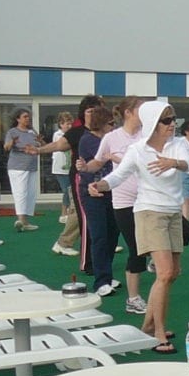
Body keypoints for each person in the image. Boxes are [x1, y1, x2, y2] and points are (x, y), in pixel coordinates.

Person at [89, 101, 189, 353]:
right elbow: (118, 175)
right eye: (166, 121)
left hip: (172, 212)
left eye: (173, 120)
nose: (172, 125)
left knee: (172, 273)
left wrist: (174, 163)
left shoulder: (178, 144)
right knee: (163, 272)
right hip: (149, 212)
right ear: (152, 123)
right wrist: (99, 185)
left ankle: (148, 325)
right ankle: (158, 334)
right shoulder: (138, 149)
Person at [82, 96, 147, 313]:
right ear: (128, 112)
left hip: (148, 198)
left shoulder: (146, 135)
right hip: (122, 199)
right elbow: (97, 162)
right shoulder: (111, 138)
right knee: (127, 244)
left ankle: (141, 272)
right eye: (140, 109)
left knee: (128, 241)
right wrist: (85, 167)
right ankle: (110, 285)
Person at [30, 95, 105, 261]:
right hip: (81, 178)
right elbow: (58, 145)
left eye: (98, 111)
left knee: (101, 216)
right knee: (84, 215)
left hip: (103, 179)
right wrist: (39, 150)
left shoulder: (106, 131)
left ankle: (101, 246)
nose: (95, 115)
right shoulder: (77, 132)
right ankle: (78, 252)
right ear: (84, 113)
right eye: (90, 111)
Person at [78, 106, 120, 296]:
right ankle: (101, 280)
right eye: (111, 123)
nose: (114, 126)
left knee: (112, 233)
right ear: (102, 124)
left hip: (111, 191)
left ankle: (107, 274)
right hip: (93, 194)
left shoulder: (109, 139)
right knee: (100, 236)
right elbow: (92, 165)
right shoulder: (89, 140)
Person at [3, 109, 40, 232]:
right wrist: (12, 142)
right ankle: (20, 219)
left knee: (30, 193)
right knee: (20, 192)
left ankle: (25, 221)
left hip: (32, 166)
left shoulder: (32, 131)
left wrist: (41, 141)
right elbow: (6, 147)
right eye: (25, 117)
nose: (27, 119)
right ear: (18, 119)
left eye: (28, 117)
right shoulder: (12, 131)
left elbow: (40, 145)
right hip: (17, 167)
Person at [51, 112, 74, 223]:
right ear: (61, 124)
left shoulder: (72, 134)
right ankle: (64, 212)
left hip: (70, 167)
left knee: (71, 191)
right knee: (66, 190)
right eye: (67, 124)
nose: (69, 126)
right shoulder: (58, 134)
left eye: (70, 124)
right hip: (60, 168)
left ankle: (70, 212)